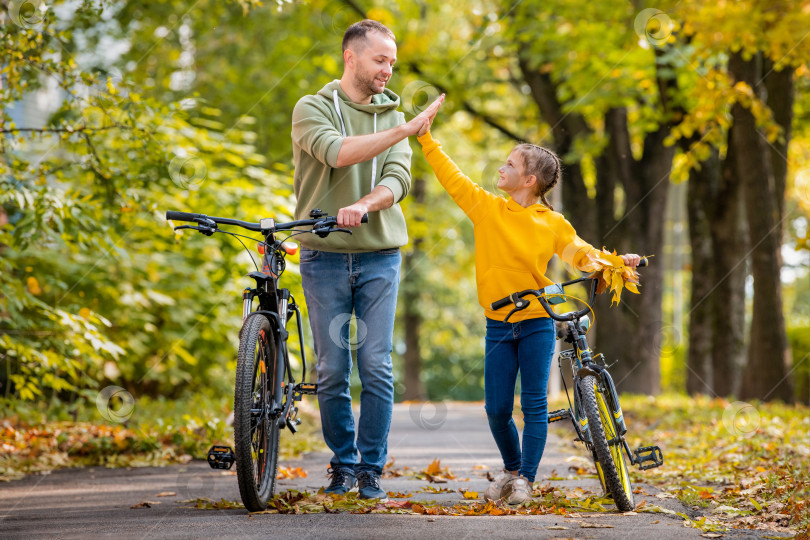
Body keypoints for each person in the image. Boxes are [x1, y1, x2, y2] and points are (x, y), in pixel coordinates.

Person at [415, 102, 641, 505]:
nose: (500, 169)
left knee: (534, 403)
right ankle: (512, 468)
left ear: (529, 179)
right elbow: (453, 178)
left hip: (538, 320)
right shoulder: (487, 209)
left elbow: (579, 252)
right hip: (499, 322)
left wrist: (613, 262)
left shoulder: (551, 222)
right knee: (497, 409)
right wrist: (426, 138)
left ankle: (525, 480)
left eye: (509, 165)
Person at [291, 19, 442, 500]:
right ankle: (343, 464)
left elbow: (397, 179)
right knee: (333, 368)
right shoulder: (312, 108)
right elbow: (335, 153)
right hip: (323, 256)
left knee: (375, 365)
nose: (388, 71)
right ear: (350, 58)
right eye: (380, 60)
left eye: (393, 63)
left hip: (379, 257)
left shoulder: (396, 117)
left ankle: (371, 469)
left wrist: (365, 204)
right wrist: (405, 128)